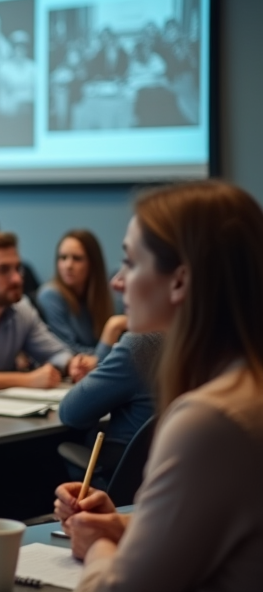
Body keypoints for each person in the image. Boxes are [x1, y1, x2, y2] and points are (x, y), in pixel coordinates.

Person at [54, 181, 263, 591]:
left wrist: (97, 545)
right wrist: (127, 524)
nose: (117, 282)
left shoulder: (208, 419)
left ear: (180, 281)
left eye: (130, 263)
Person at [0, 231, 95, 395]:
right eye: (3, 270)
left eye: (18, 268)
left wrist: (71, 364)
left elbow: (56, 352)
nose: (17, 279)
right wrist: (27, 380)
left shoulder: (21, 309)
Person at [57, 328, 162, 483]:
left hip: (123, 485)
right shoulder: (205, 337)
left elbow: (71, 413)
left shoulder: (142, 344)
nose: (125, 301)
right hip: (178, 486)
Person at [37, 229, 116, 356]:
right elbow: (67, 350)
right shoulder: (50, 295)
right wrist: (112, 354)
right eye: (63, 258)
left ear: (93, 263)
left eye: (77, 258)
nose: (68, 265)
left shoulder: (101, 297)